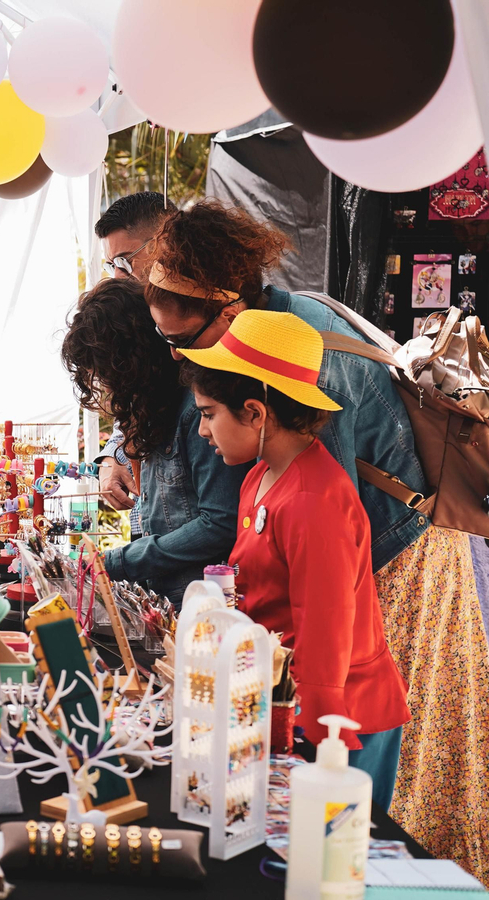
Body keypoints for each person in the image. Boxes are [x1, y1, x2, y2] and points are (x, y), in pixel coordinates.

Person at [145, 198, 489, 881]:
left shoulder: (300, 400)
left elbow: (324, 581)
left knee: (401, 783)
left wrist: (307, 721)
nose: (181, 361)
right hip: (357, 574)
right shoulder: (267, 436)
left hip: (404, 558)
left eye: (183, 341)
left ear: (229, 311)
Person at [181, 310, 409, 807]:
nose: (202, 431)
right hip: (292, 703)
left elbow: (324, 635)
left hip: (338, 721)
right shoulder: (259, 478)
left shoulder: (312, 500)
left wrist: (305, 738)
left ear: (255, 413)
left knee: (330, 865)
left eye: (207, 413)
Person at [61, 278, 249, 601]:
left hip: (200, 606)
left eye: (107, 374)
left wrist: (123, 560)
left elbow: (221, 521)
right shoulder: (150, 407)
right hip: (170, 601)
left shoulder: (195, 412)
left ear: (131, 363)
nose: (106, 386)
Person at [93, 191, 173, 511]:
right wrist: (113, 457)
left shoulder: (194, 325)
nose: (117, 276)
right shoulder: (140, 320)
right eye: (112, 264)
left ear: (165, 243)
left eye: (125, 261)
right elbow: (132, 414)